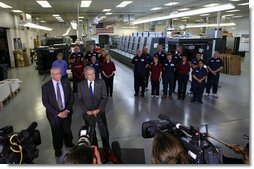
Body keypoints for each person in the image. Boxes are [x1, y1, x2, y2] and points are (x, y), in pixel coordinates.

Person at [77, 66, 110, 158]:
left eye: (93, 74)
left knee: (104, 132)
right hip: (88, 115)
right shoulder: (81, 85)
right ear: (86, 75)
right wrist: (86, 111)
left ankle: (107, 151)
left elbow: (104, 97)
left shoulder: (101, 82)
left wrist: (99, 109)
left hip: (99, 113)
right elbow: (80, 100)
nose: (92, 76)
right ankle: (95, 152)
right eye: (90, 74)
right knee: (92, 134)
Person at [41, 67, 74, 157]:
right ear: (51, 75)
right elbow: (45, 102)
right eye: (56, 74)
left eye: (59, 73)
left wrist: (67, 110)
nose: (59, 75)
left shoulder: (66, 82)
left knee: (67, 129)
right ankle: (58, 148)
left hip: (67, 111)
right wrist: (57, 113)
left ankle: (69, 143)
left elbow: (71, 96)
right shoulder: (46, 87)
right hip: (54, 115)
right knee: (56, 132)